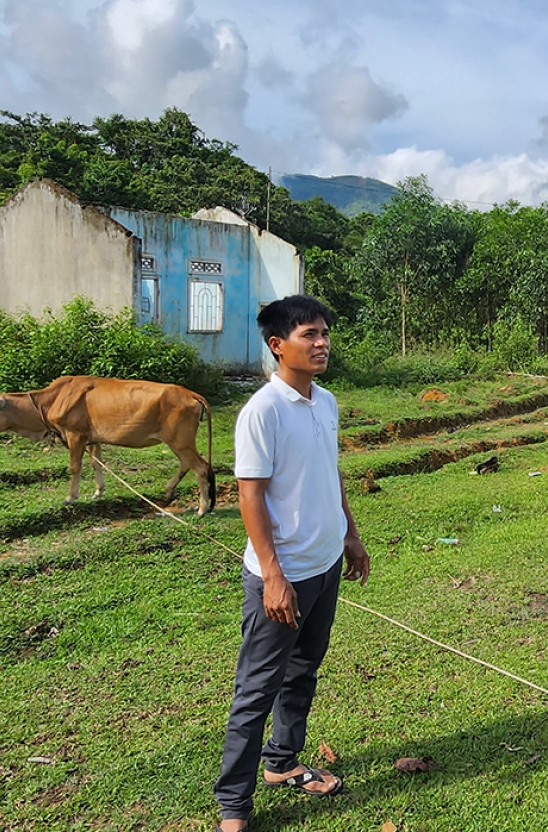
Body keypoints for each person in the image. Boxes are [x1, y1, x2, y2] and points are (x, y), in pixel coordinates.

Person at [214, 295, 370, 832]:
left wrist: (350, 534)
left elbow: (330, 473)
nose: (322, 342)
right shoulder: (262, 411)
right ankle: (233, 806)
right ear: (279, 345)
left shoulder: (325, 402)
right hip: (281, 579)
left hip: (325, 566)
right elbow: (250, 496)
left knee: (303, 671)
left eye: (325, 332)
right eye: (310, 334)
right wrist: (273, 576)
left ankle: (282, 762)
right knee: (256, 690)